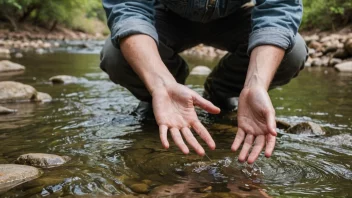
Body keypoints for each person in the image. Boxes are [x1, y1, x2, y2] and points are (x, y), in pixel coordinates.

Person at [100, 0, 308, 164]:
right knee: (115, 55)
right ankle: (158, 92)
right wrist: (159, 85)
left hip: (234, 18)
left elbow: (279, 10)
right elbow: (128, 10)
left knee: (293, 51)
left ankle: (222, 90)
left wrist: (256, 84)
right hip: (164, 17)